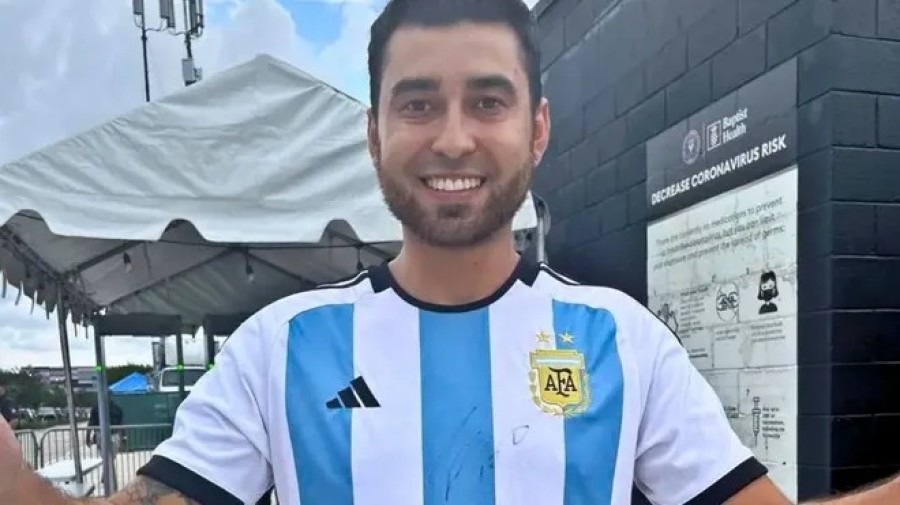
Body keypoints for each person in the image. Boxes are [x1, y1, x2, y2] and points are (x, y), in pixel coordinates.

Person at [1, 0, 900, 503]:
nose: (454, 137)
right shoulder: (280, 347)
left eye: (488, 101)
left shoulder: (622, 341)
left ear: (537, 128)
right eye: (420, 103)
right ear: (374, 134)